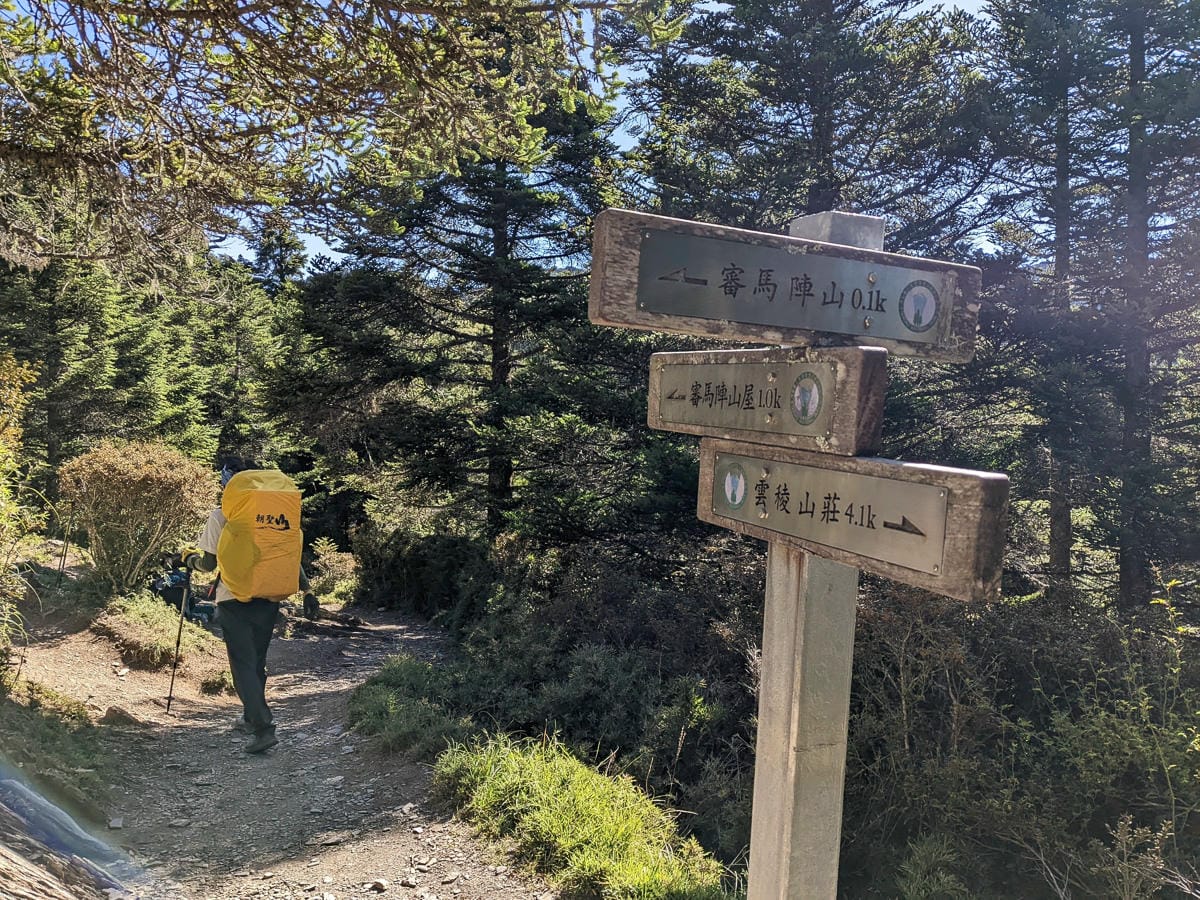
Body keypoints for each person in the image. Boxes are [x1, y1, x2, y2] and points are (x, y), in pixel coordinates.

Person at [180, 456, 318, 755]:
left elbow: (207, 564)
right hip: (269, 597)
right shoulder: (279, 515)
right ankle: (249, 716)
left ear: (228, 483)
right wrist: (307, 591)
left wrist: (188, 558)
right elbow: (286, 555)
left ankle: (262, 728)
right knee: (256, 661)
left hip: (233, 597)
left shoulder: (222, 515)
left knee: (242, 664)